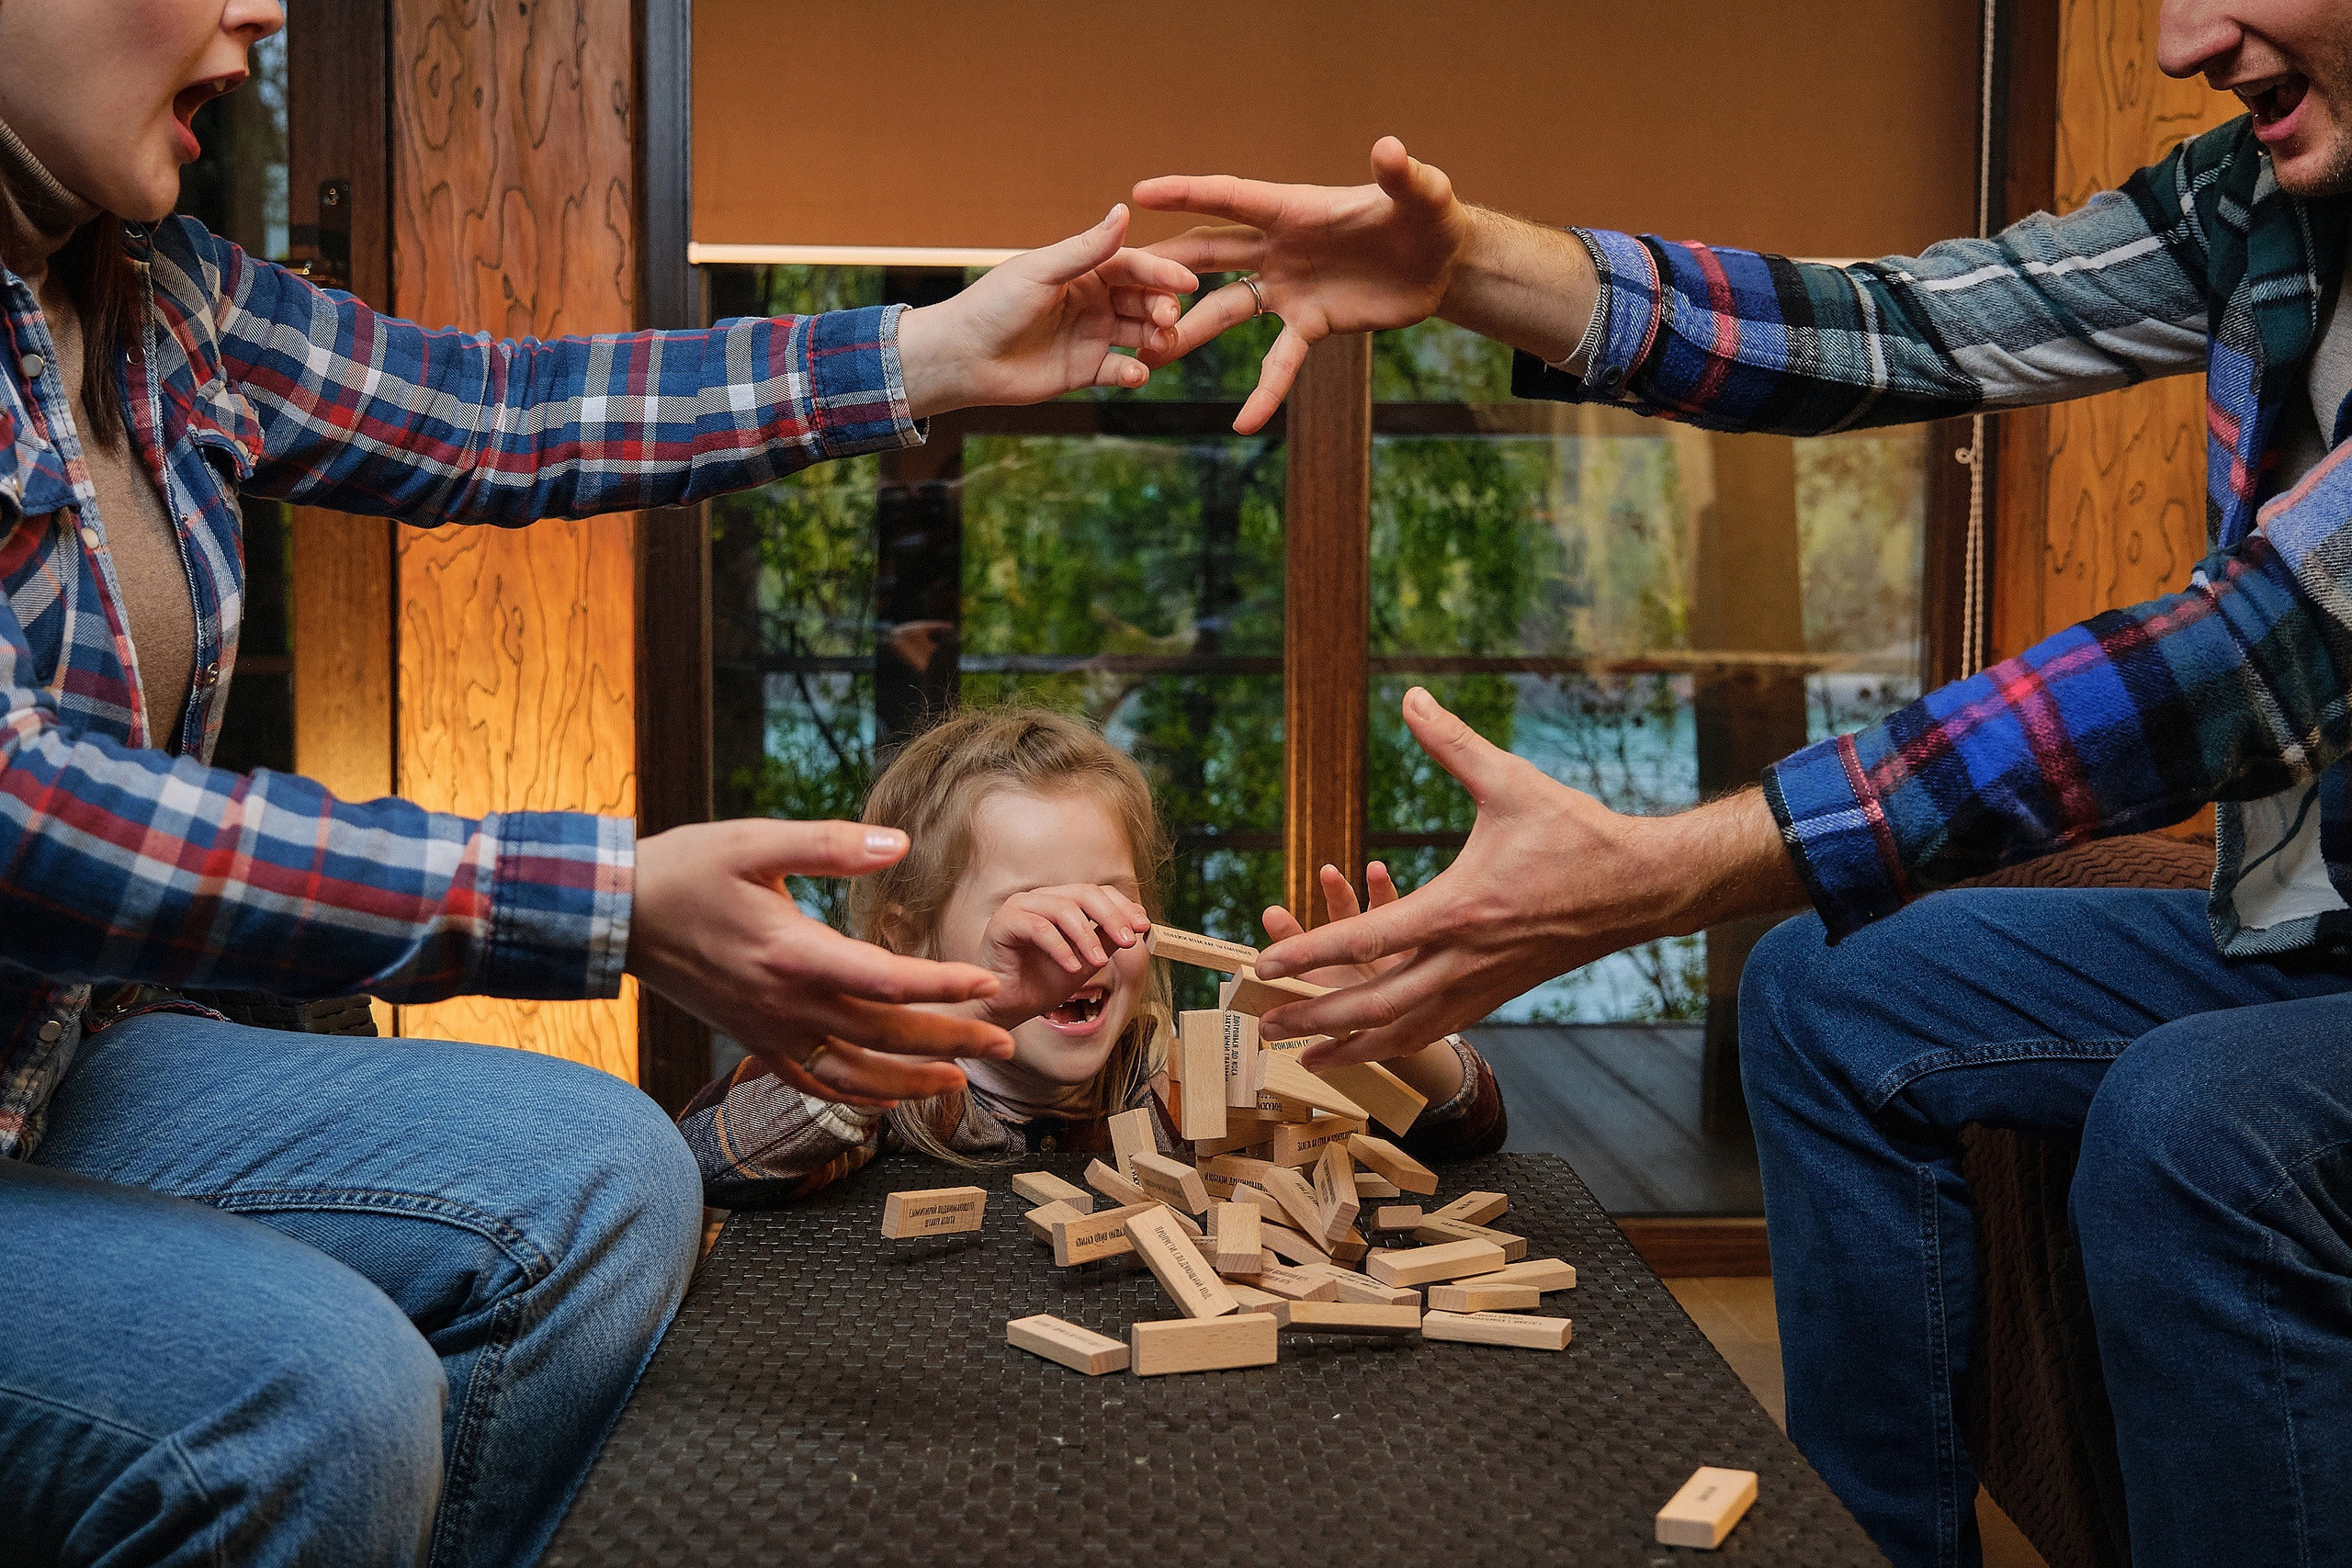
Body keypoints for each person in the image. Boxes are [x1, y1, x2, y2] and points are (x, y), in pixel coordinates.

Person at [1132, 3, 2352, 1563]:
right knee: (1822, 993)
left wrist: (1670, 864)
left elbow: (2257, 652)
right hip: (2316, 932)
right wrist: (1470, 266)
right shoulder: (2256, 196)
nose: (2182, 40)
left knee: (2196, 1123)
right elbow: (1901, 326)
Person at [0, 1, 1205, 1562]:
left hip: (55, 1062)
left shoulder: (164, 301)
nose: (263, 11)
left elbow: (501, 415)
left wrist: (932, 352)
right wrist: (603, 899)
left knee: (610, 1172)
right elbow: (26, 811)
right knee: (326, 1392)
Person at [679, 705, 1505, 1203]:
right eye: (1035, 912)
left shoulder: (1181, 1079)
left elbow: (1469, 1132)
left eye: (1110, 900)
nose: (1084, 944)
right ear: (904, 934)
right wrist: (909, 1035)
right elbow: (701, 1162)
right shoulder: (889, 1100)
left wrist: (1392, 1028)